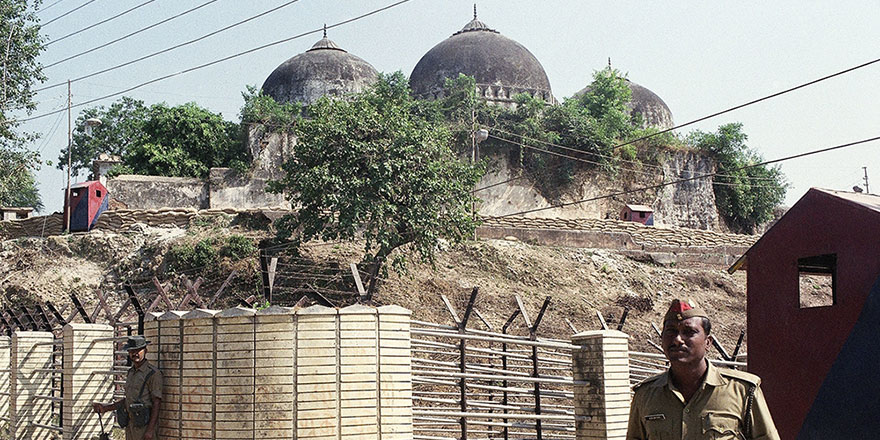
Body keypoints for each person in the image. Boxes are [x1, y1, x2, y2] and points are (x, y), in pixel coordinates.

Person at [626, 299, 779, 440]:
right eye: (671, 331)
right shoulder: (645, 395)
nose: (678, 339)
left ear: (708, 342)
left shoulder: (742, 391)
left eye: (689, 332)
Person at [93, 335, 163, 440]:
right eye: (131, 351)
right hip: (131, 424)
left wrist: (150, 430)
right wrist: (106, 408)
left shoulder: (152, 374)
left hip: (144, 426)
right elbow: (128, 401)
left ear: (145, 351)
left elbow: (157, 403)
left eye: (138, 350)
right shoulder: (131, 372)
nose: (134, 353)